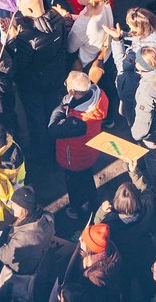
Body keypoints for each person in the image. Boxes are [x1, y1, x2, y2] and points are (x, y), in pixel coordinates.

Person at [49, 70, 108, 220]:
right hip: (89, 151)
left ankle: (82, 213)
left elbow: (53, 129)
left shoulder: (78, 121)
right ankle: (93, 204)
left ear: (73, 91)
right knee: (87, 179)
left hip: (74, 158)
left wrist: (60, 109)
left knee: (76, 187)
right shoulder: (99, 96)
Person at [0, 185, 53, 302]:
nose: (11, 206)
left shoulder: (24, 237)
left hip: (21, 274)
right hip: (37, 261)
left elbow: (5, 257)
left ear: (24, 208)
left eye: (14, 204)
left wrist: (3, 245)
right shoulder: (47, 218)